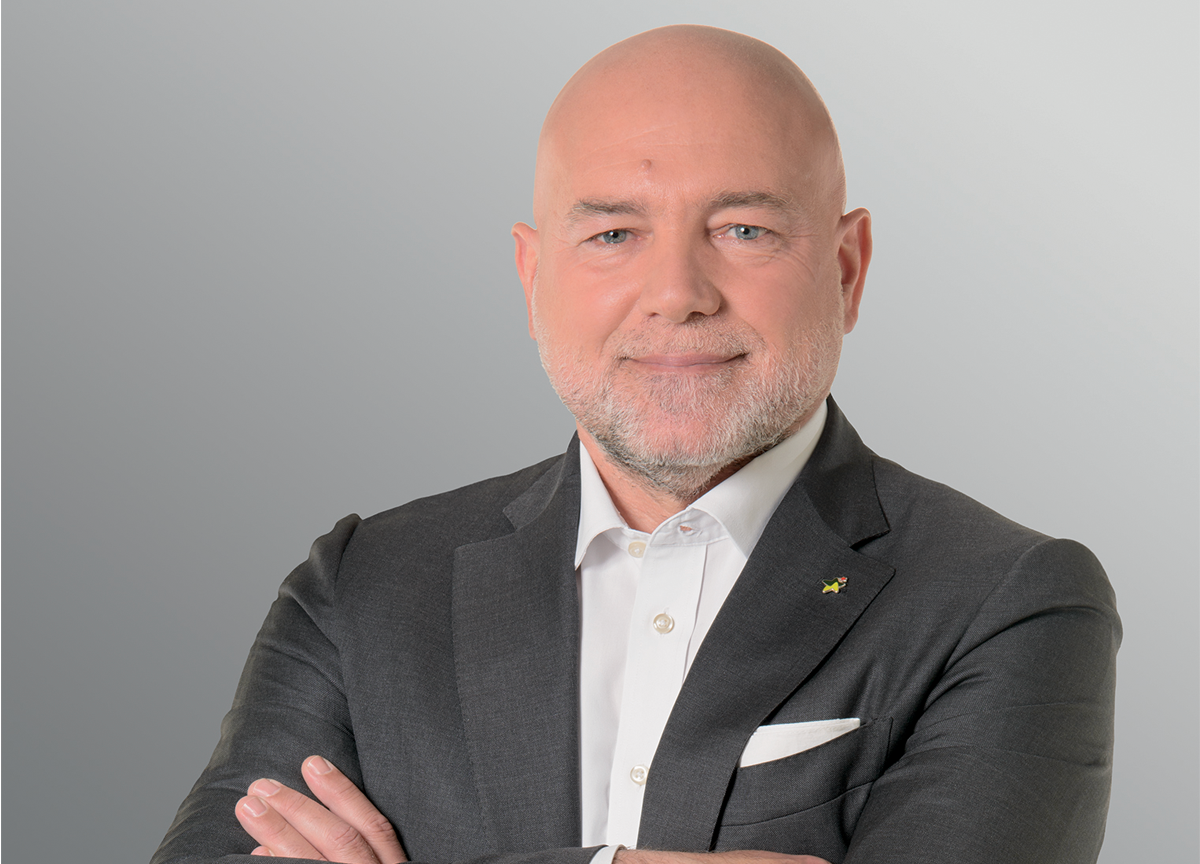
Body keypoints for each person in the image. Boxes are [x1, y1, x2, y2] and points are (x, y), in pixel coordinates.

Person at [151, 24, 1119, 864]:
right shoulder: (363, 586)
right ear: (533, 278)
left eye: (743, 229)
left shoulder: (1008, 601)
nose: (677, 293)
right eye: (614, 234)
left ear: (846, 269)